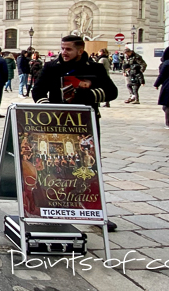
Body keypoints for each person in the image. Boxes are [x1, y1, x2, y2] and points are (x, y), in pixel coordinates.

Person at [31, 35, 118, 231]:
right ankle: (54, 208)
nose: (64, 52)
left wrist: (89, 95)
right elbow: (37, 91)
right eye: (62, 48)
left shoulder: (94, 68)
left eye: (68, 49)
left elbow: (111, 92)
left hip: (85, 126)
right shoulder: (51, 67)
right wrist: (47, 110)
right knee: (55, 166)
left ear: (80, 50)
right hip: (58, 126)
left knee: (89, 167)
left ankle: (93, 211)